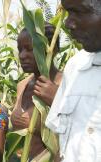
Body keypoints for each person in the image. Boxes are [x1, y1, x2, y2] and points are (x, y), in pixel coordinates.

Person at [45, 0, 101, 161]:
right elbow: (62, 149)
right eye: (69, 12)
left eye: (79, 12)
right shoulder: (75, 66)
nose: (68, 23)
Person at [10, 24, 62, 160]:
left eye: (29, 49)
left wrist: (57, 98)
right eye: (20, 49)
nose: (22, 55)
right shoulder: (22, 85)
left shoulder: (65, 85)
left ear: (52, 49)